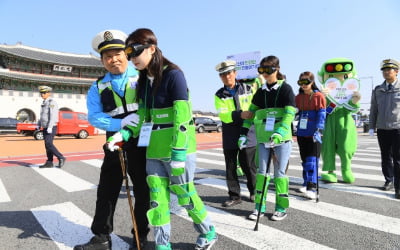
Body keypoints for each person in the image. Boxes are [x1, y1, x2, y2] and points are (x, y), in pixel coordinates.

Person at [107, 28, 217, 250]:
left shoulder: (173, 75)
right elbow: (142, 117)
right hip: (154, 150)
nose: (131, 58)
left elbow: (183, 117)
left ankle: (208, 231)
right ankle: (162, 245)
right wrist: (124, 134)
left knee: (185, 195)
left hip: (178, 150)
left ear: (152, 48)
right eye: (128, 54)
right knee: (157, 201)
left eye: (135, 52)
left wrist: (178, 152)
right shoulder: (144, 82)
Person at [74, 30, 149, 250]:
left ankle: (140, 237)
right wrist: (118, 126)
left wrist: (133, 124)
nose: (113, 59)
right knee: (107, 188)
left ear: (127, 54)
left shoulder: (142, 77)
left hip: (142, 139)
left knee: (144, 190)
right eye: (107, 56)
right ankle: (101, 237)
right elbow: (94, 117)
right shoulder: (97, 86)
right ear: (102, 60)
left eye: (117, 53)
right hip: (114, 140)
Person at [239, 55, 296, 221]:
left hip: (281, 139)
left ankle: (281, 207)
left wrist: (281, 132)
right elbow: (250, 114)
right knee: (262, 173)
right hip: (263, 139)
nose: (264, 73)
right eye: (261, 70)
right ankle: (259, 206)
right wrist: (243, 134)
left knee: (279, 174)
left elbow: (289, 113)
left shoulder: (285, 89)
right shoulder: (260, 92)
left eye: (268, 70)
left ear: (276, 69)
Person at [214, 60, 257, 207]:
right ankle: (234, 195)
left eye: (229, 73)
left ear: (235, 73)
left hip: (248, 131)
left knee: (249, 165)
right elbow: (223, 115)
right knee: (231, 167)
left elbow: (254, 107)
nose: (226, 76)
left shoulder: (248, 88)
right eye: (223, 75)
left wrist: (249, 115)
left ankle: (254, 191)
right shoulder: (219, 94)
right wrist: (240, 115)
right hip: (230, 133)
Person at [317, 58, 361, 183]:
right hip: (329, 121)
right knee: (327, 146)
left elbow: (354, 109)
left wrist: (355, 100)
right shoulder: (326, 92)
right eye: (330, 76)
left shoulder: (349, 91)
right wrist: (322, 97)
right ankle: (330, 171)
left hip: (345, 120)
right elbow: (320, 108)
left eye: (345, 75)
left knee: (347, 146)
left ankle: (346, 169)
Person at [368, 59, 400, 199]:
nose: (386, 72)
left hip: (397, 128)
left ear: (396, 71)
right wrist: (371, 126)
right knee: (385, 157)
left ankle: (398, 187)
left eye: (389, 69)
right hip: (382, 128)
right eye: (384, 70)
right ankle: (389, 180)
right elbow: (374, 109)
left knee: (398, 159)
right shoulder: (378, 89)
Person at [294, 72, 326, 199]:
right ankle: (306, 181)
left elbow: (322, 114)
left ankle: (312, 186)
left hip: (314, 132)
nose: (303, 85)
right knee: (305, 160)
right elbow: (294, 113)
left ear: (312, 82)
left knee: (312, 160)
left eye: (306, 82)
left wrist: (319, 129)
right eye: (301, 82)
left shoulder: (319, 96)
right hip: (302, 132)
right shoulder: (298, 97)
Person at [37, 85, 66, 168]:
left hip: (51, 127)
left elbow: (53, 115)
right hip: (45, 126)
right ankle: (49, 162)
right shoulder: (44, 103)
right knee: (47, 145)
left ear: (49, 93)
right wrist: (39, 124)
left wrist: (50, 126)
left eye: (44, 92)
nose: (42, 94)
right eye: (41, 93)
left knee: (49, 143)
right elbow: (42, 116)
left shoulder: (51, 102)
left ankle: (61, 157)